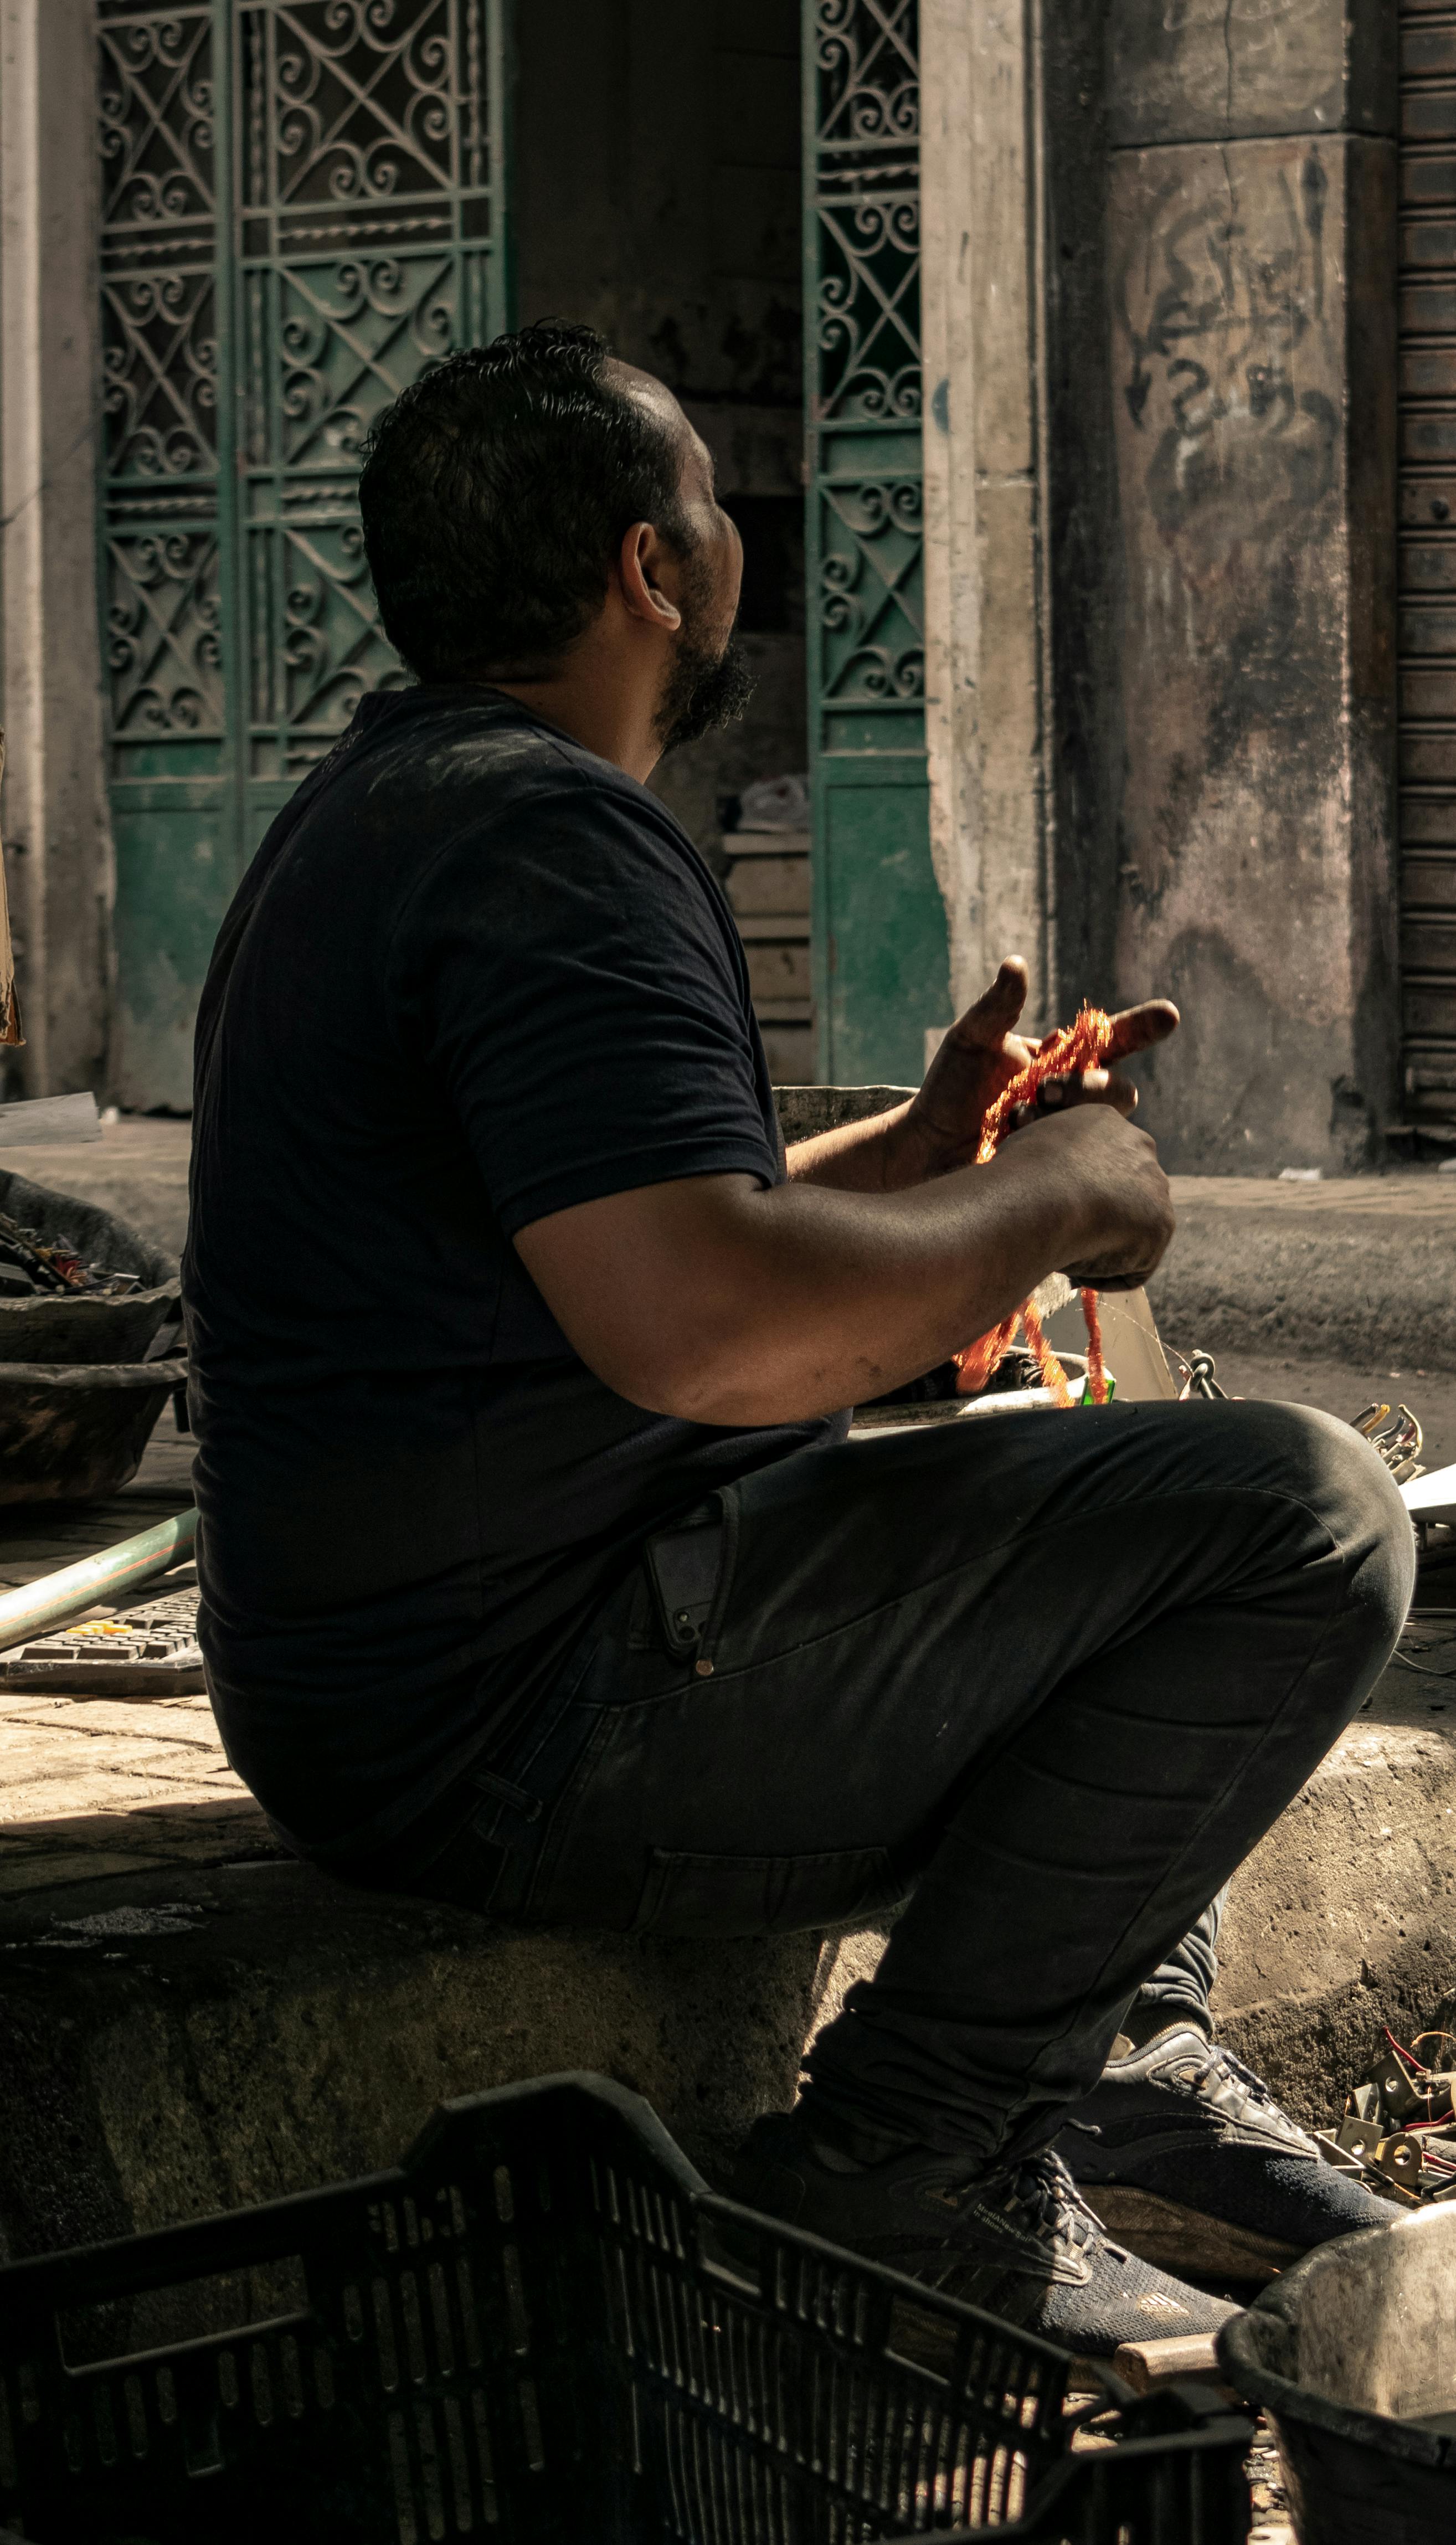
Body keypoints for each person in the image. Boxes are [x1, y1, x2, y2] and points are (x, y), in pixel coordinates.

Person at [182, 322, 1411, 2357]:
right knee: (1306, 1518)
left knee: (1060, 1437)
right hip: (522, 1709)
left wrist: (925, 1154)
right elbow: (704, 1331)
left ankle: (1116, 2059)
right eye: (707, 502)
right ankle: (912, 2165)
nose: (735, 539)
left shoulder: (387, 812)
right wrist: (1061, 1198)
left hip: (388, 1690)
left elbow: (622, 1233)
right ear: (647, 573)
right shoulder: (556, 844)